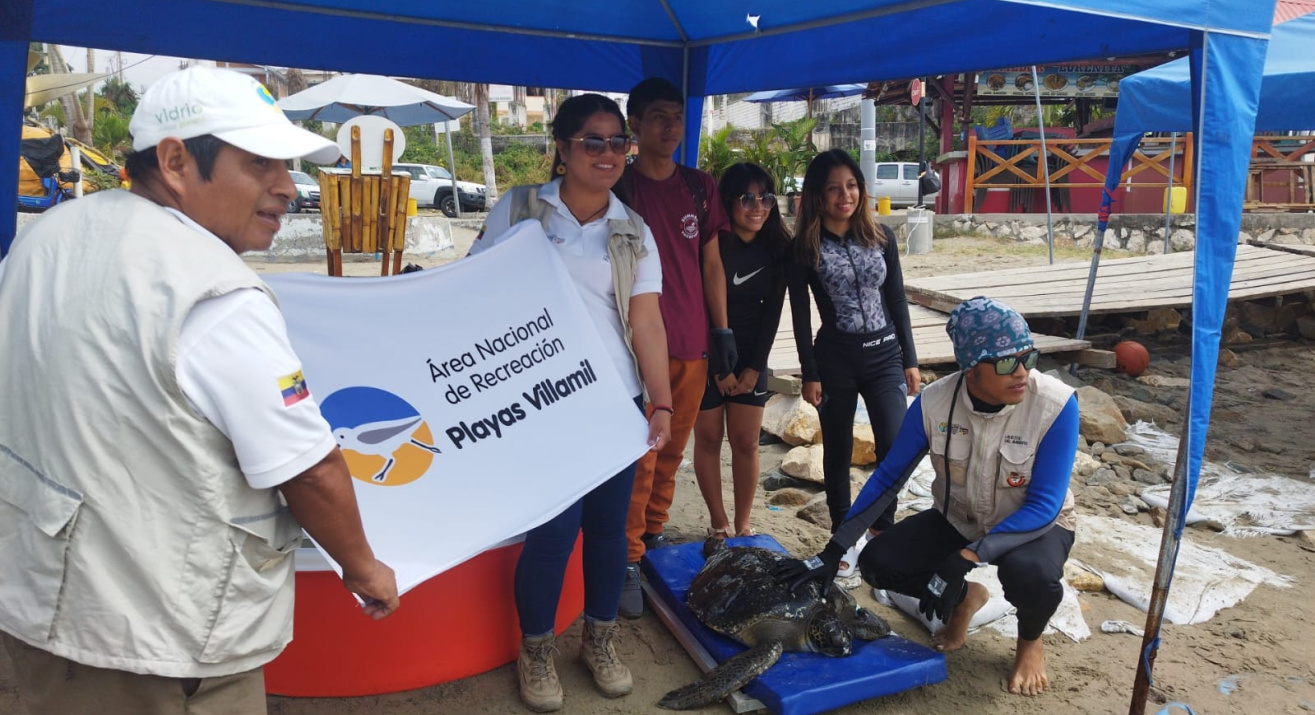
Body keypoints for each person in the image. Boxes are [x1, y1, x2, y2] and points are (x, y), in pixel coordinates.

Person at [0, 66, 399, 715]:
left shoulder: (42, 240)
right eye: (260, 164)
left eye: (287, 165)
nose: (286, 188)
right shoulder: (214, 295)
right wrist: (362, 567)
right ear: (176, 160)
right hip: (158, 635)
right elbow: (311, 468)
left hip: (41, 597)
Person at [467, 93, 672, 713]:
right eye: (593, 141)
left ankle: (600, 642)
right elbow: (473, 293)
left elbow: (648, 325)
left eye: (618, 143)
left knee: (609, 534)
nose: (608, 154)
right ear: (562, 146)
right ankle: (536, 651)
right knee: (552, 534)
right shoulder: (521, 209)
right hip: (542, 404)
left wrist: (659, 404)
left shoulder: (633, 231)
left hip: (613, 403)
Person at [777, 297, 1080, 697]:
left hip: (1032, 526)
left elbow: (1044, 506)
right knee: (878, 563)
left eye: (1029, 357)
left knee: (1032, 576)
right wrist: (835, 549)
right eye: (1007, 362)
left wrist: (969, 556)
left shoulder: (1056, 405)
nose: (1022, 372)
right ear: (971, 368)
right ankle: (964, 600)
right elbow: (888, 477)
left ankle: (1030, 642)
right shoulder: (934, 403)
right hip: (960, 518)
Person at [615, 77, 733, 619]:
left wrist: (722, 331)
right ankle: (628, 557)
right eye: (657, 117)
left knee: (673, 449)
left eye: (676, 117)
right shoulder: (621, 187)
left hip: (692, 341)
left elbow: (711, 263)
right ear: (634, 123)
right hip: (637, 346)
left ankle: (655, 533)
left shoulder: (699, 186)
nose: (669, 127)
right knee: (642, 453)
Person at [788, 148, 920, 576]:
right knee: (838, 449)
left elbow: (896, 298)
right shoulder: (806, 246)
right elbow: (801, 314)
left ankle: (883, 532)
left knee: (894, 447)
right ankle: (843, 538)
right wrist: (810, 372)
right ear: (818, 195)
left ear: (861, 190)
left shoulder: (881, 235)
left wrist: (910, 359)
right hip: (836, 359)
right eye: (833, 189)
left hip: (884, 355)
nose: (844, 195)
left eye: (851, 186)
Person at [691, 162, 789, 539]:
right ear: (727, 201)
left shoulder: (777, 247)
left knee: (746, 442)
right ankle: (718, 522)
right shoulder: (712, 246)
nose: (758, 207)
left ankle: (745, 524)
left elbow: (773, 313)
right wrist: (719, 367)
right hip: (709, 357)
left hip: (751, 357)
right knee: (709, 439)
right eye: (747, 198)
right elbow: (698, 307)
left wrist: (753, 367)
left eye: (765, 197)